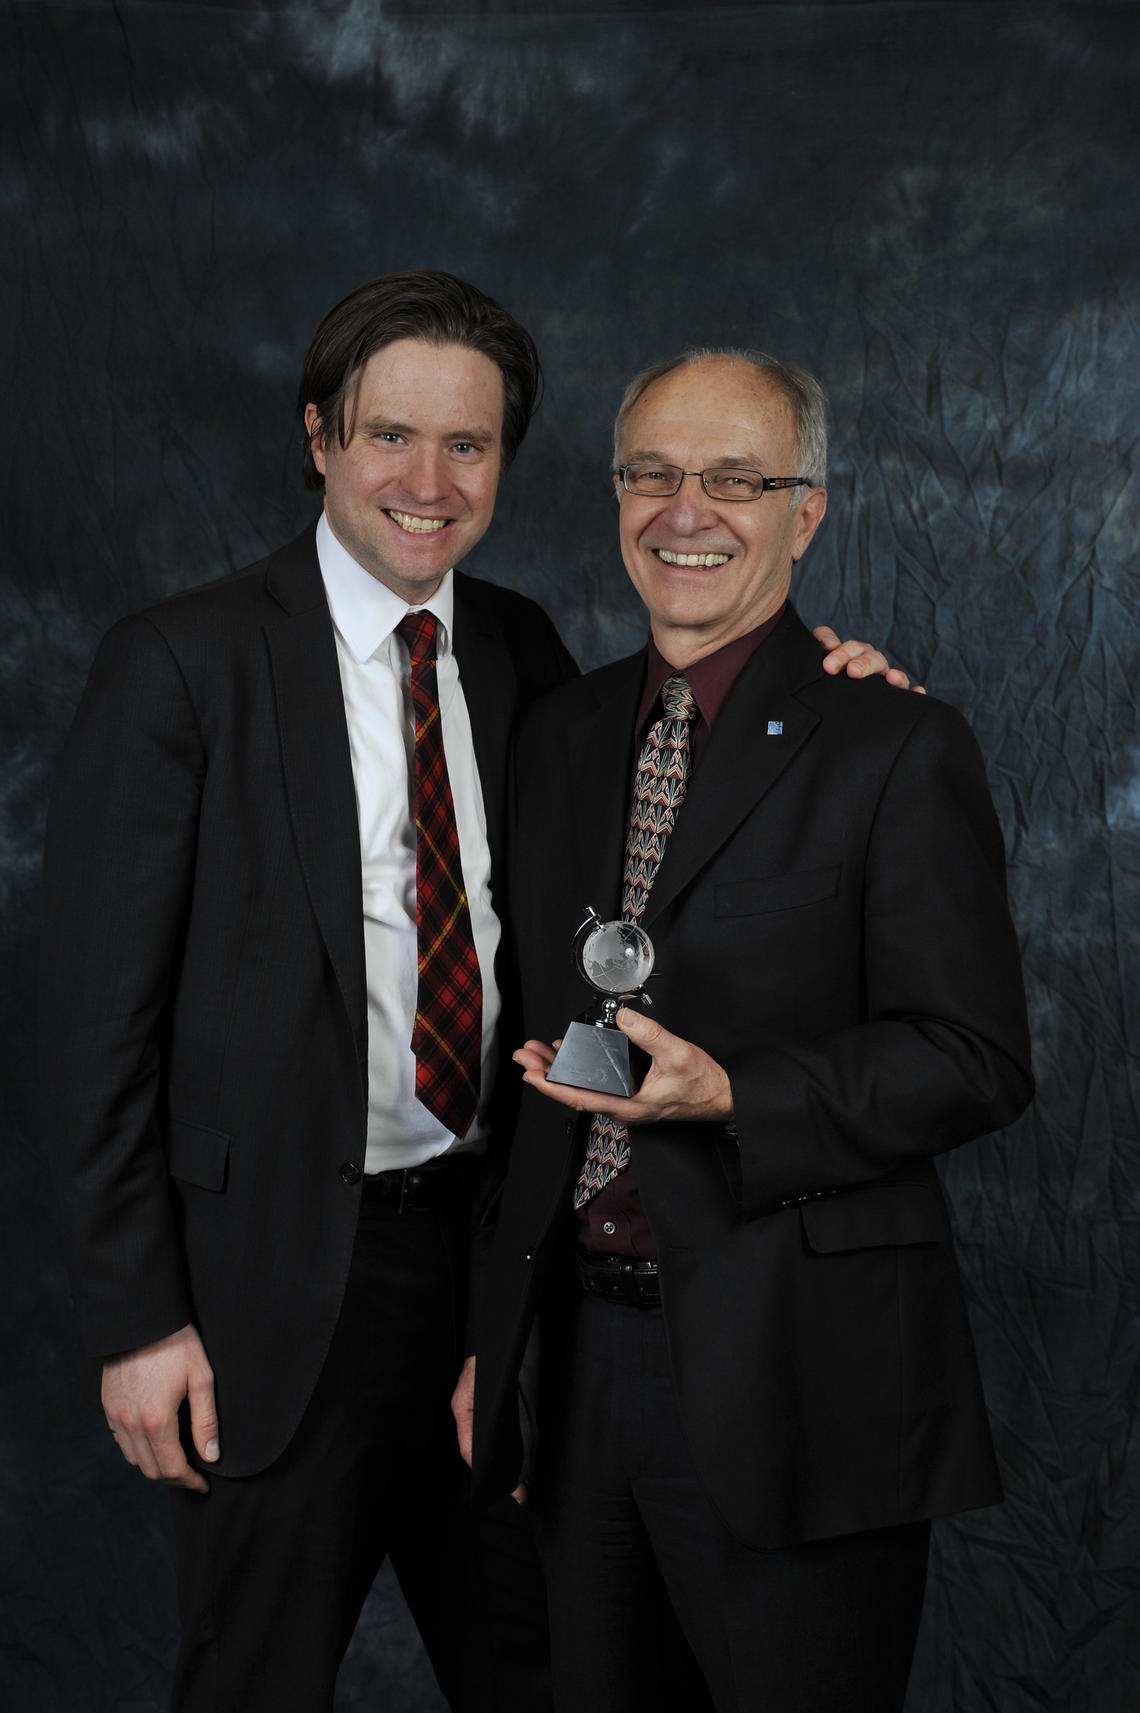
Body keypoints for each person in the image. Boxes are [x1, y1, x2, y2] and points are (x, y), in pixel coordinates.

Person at [39, 277, 905, 1711]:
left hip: (496, 1284)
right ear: (318, 435)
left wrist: (840, 682)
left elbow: (685, 801)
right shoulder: (182, 666)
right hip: (270, 1295)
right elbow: (92, 1031)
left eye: (471, 446)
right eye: (391, 435)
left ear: (508, 462)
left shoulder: (521, 656)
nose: (428, 484)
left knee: (558, 1667)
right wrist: (138, 1320)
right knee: (254, 1677)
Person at [462, 347, 1034, 1713]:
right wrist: (497, 1338)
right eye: (652, 473)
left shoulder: (894, 744)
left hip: (798, 1370)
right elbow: (527, 1051)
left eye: (734, 477)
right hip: (576, 1365)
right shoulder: (562, 733)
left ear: (808, 511)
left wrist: (736, 1093)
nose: (685, 510)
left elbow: (976, 1055)